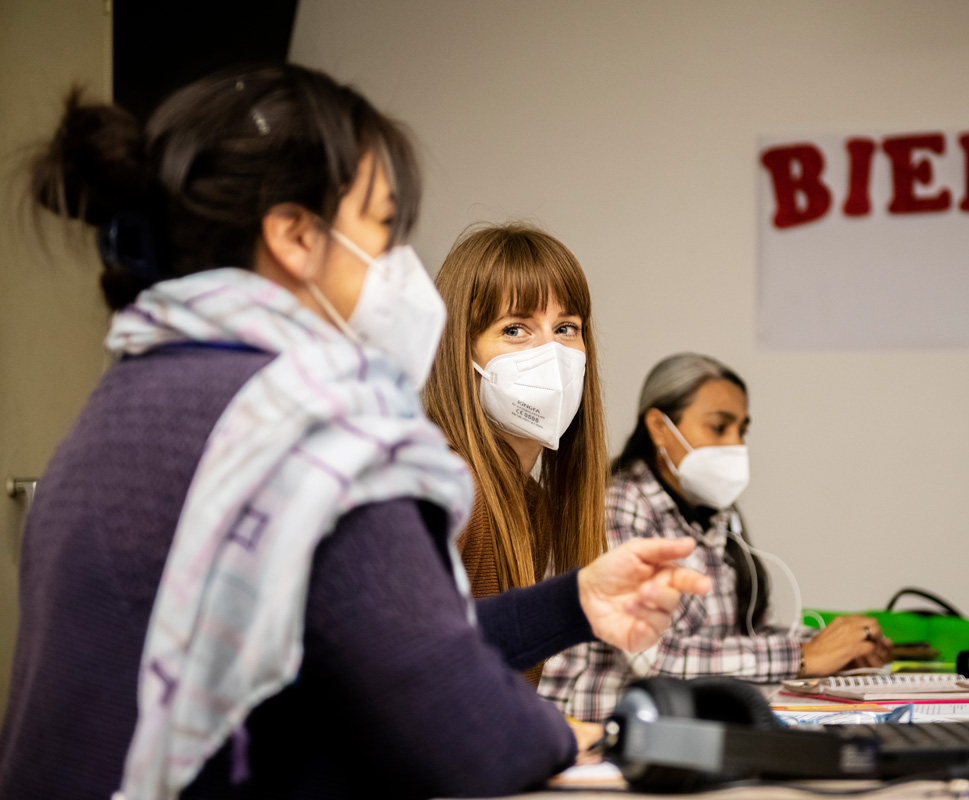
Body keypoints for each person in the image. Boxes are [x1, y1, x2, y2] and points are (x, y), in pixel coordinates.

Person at [0, 65, 710, 800]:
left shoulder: (125, 400)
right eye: (383, 226)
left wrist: (571, 605)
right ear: (295, 236)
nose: (400, 263)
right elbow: (468, 736)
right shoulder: (314, 431)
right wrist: (574, 736)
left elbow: (382, 643)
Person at [539, 353, 890, 722]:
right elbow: (658, 658)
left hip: (691, 722)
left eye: (742, 430)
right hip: (601, 732)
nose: (736, 445)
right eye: (720, 428)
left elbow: (746, 632)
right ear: (659, 427)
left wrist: (841, 647)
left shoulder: (720, 514)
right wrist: (804, 657)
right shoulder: (616, 506)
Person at [423, 224, 607, 685]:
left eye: (566, 328)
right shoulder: (445, 481)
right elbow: (405, 663)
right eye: (515, 329)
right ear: (460, 350)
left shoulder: (533, 504)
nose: (551, 352)